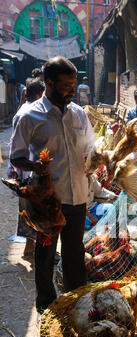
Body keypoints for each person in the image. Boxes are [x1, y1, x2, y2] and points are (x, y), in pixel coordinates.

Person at [9, 56, 96, 316]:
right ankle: (46, 304)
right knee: (46, 253)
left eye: (74, 85)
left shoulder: (79, 113)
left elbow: (92, 148)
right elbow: (16, 156)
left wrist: (100, 158)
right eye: (67, 85)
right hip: (48, 202)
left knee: (74, 253)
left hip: (77, 196)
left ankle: (76, 301)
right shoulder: (29, 115)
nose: (73, 90)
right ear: (48, 82)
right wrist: (35, 166)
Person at [7, 78, 45, 257]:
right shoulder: (29, 113)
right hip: (29, 170)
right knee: (32, 209)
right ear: (39, 95)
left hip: (24, 170)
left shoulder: (22, 111)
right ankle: (32, 247)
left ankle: (30, 246)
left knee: (28, 208)